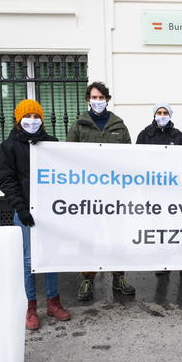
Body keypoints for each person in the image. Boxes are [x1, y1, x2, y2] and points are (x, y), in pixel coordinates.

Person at [0, 99, 71, 330]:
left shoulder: (52, 144)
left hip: (51, 211)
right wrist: (21, 208)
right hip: (25, 212)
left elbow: (64, 175)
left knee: (50, 257)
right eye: (27, 116)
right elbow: (8, 181)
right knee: (29, 260)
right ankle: (30, 306)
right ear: (18, 119)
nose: (32, 120)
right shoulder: (9, 145)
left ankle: (53, 302)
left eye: (36, 116)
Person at [66, 81, 135, 300]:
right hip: (87, 194)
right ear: (88, 100)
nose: (98, 101)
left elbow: (130, 160)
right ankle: (87, 278)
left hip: (114, 194)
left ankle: (119, 276)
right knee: (87, 236)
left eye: (101, 97)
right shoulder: (78, 126)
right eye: (94, 98)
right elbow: (68, 159)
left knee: (118, 236)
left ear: (107, 99)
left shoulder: (119, 126)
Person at [136, 101, 182, 278]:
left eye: (165, 112)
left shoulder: (178, 136)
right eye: (159, 112)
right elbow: (137, 162)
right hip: (153, 190)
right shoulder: (144, 135)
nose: (162, 115)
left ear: (170, 115)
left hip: (176, 191)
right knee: (158, 225)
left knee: (180, 225)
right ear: (154, 114)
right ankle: (162, 261)